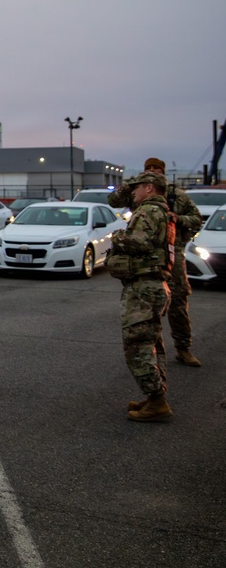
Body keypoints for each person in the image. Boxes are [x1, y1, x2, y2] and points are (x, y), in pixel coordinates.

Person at [108, 157, 202, 367]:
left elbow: (196, 218)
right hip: (145, 254)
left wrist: (177, 219)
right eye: (148, 169)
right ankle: (150, 352)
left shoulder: (175, 195)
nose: (153, 171)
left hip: (171, 251)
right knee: (146, 303)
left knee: (178, 299)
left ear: (163, 172)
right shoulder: (138, 192)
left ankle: (183, 347)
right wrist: (130, 186)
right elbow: (113, 200)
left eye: (156, 168)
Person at [108, 172, 175, 422]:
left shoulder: (149, 211)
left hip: (144, 288)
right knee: (152, 344)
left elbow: (137, 242)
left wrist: (117, 237)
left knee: (137, 346)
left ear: (149, 187)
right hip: (153, 285)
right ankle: (155, 395)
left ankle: (157, 400)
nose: (132, 192)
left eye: (136, 187)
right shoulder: (162, 211)